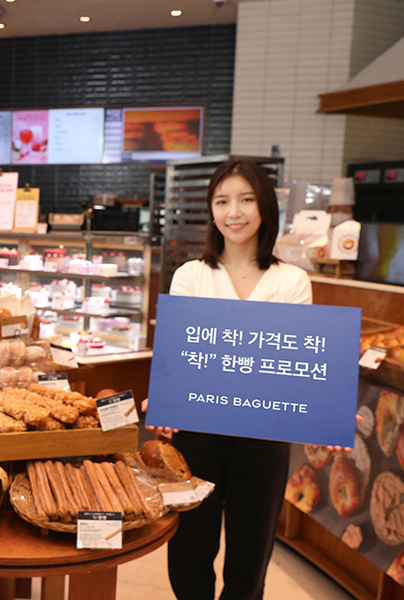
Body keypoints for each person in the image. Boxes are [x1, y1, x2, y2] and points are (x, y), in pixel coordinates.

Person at [144, 159, 312, 599]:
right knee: (189, 552)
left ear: (265, 208)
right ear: (212, 211)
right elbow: (179, 357)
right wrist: (163, 398)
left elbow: (292, 368)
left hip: (263, 437)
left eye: (246, 199)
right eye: (222, 201)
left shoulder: (292, 281)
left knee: (249, 559)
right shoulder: (191, 275)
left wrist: (318, 411)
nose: (233, 212)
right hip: (197, 433)